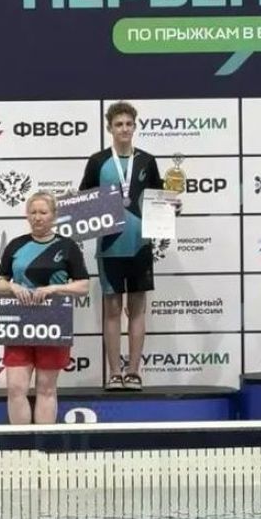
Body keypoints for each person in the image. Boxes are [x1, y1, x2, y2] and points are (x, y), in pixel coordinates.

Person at [79, 101, 163, 392]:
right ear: (109, 128)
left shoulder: (147, 161)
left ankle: (134, 372)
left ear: (135, 127)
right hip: (109, 248)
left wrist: (171, 208)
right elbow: (84, 201)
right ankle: (115, 373)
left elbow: (159, 198)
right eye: (119, 124)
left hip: (141, 246)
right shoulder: (97, 161)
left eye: (128, 124)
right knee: (112, 310)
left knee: (137, 309)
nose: (124, 129)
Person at [0, 192, 89, 425]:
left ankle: (43, 443)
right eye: (33, 212)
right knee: (16, 388)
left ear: (53, 216)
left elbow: (83, 286)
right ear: (27, 215)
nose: (37, 217)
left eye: (43, 212)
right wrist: (13, 287)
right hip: (19, 323)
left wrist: (55, 289)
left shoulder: (67, 246)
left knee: (46, 389)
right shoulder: (16, 245)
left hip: (53, 322)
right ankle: (21, 444)